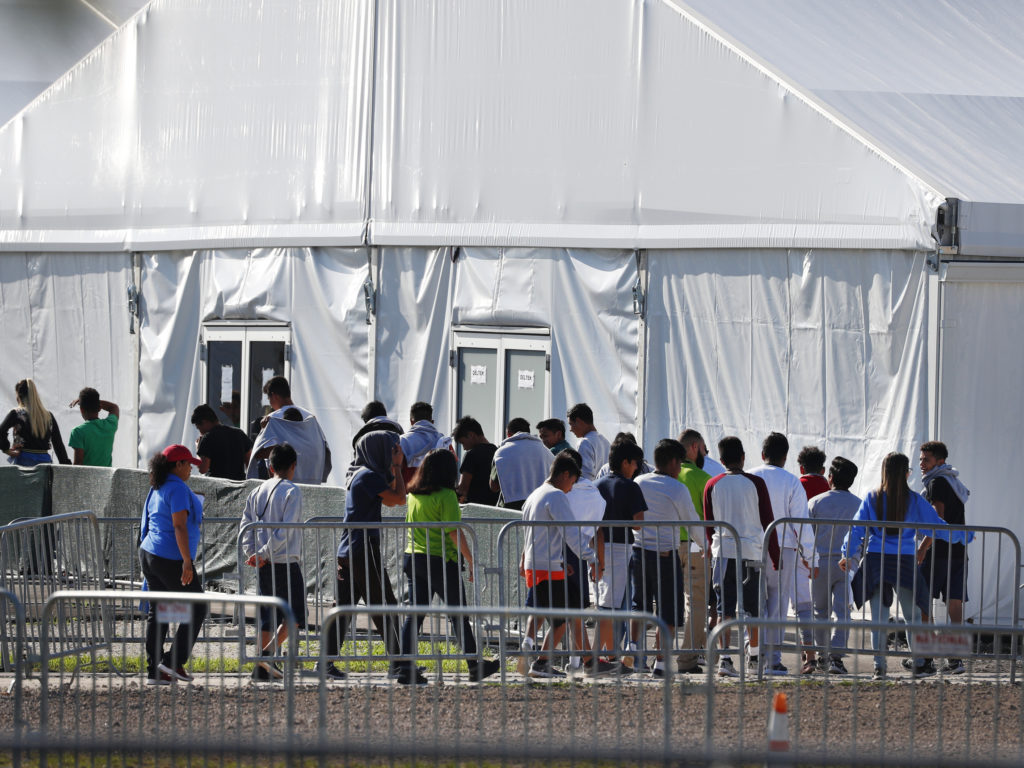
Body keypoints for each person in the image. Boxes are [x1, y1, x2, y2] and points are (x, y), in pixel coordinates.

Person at [839, 452, 948, 680]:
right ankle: (918, 661)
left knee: (879, 617)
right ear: (906, 472)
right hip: (905, 560)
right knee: (913, 616)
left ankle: (880, 666)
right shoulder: (915, 499)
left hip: (876, 559)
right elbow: (936, 525)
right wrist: (964, 537)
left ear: (884, 471)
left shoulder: (872, 497)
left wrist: (847, 554)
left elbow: (857, 528)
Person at [397, 449, 501, 685]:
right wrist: (472, 560)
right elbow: (453, 531)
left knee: (414, 615)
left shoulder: (413, 494)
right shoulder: (446, 496)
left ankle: (404, 668)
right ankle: (474, 666)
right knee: (459, 615)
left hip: (413, 558)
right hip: (441, 561)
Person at [321, 431, 405, 680]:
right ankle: (399, 663)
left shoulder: (361, 474)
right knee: (386, 605)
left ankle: (324, 662)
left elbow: (390, 491)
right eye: (390, 449)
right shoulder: (367, 477)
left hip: (349, 549)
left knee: (344, 609)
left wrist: (392, 467)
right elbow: (398, 499)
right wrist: (398, 467)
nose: (394, 453)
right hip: (363, 549)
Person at [519, 454, 604, 678]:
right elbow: (571, 533)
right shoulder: (555, 496)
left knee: (560, 610)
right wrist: (591, 557)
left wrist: (559, 560)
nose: (571, 489)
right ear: (565, 475)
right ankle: (543, 663)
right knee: (565, 614)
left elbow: (536, 534)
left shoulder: (535, 494)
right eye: (572, 482)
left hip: (537, 563)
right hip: (548, 565)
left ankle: (584, 660)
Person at [703, 436, 780, 678]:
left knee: (725, 608)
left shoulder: (712, 484)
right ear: (744, 457)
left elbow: (709, 525)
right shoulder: (756, 484)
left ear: (722, 459)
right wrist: (776, 556)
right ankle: (755, 656)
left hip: (724, 552)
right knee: (753, 609)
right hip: (752, 553)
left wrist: (711, 546)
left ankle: (725, 658)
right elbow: (769, 521)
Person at [138, 444, 206, 685]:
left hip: (150, 553)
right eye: (188, 464)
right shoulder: (176, 487)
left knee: (160, 612)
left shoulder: (158, 485)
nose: (191, 469)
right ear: (177, 465)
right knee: (198, 606)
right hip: (170, 556)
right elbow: (178, 526)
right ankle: (172, 661)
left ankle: (155, 670)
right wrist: (187, 561)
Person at [750, 432, 816, 675]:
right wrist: (810, 556)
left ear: (763, 454)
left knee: (754, 603)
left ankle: (753, 653)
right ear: (785, 457)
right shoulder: (791, 481)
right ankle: (773, 660)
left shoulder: (751, 476)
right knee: (777, 604)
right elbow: (801, 523)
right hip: (784, 548)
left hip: (753, 546)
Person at [632, 439, 698, 678]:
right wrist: (706, 546)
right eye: (679, 462)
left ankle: (636, 656)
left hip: (638, 552)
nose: (680, 468)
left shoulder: (639, 481)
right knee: (668, 611)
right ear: (672, 462)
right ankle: (660, 662)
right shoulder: (677, 488)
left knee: (639, 607)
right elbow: (691, 522)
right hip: (665, 556)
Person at [240, 443, 306, 681]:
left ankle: (262, 666)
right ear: (293, 466)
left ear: (270, 467)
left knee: (268, 615)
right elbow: (286, 530)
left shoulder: (256, 491)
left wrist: (253, 551)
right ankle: (266, 657)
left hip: (263, 561)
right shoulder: (292, 491)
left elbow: (246, 523)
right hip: (284, 560)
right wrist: (264, 552)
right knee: (296, 616)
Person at [918, 440, 972, 675]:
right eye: (920, 459)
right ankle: (955, 660)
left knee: (923, 603)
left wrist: (922, 547)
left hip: (938, 552)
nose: (921, 463)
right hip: (958, 552)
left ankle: (927, 659)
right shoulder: (953, 481)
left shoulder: (937, 482)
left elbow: (937, 521)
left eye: (926, 459)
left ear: (939, 461)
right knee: (955, 606)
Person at [593, 440, 647, 664]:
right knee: (610, 607)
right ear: (626, 462)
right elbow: (638, 523)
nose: (636, 468)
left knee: (604, 603)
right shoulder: (630, 487)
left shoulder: (596, 484)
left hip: (596, 546)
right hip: (619, 548)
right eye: (635, 463)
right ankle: (596, 655)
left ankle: (608, 652)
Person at [808, 456, 860, 675]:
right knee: (843, 611)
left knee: (820, 611)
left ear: (830, 478)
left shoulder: (816, 502)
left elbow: (806, 534)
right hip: (846, 563)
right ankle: (836, 658)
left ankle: (822, 655)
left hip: (819, 561)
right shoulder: (859, 504)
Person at [247, 377, 332, 484]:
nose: (271, 405)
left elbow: (258, 454)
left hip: (283, 483)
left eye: (269, 400)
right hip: (312, 483)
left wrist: (263, 432)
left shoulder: (272, 419)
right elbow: (324, 450)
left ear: (274, 396)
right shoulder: (311, 418)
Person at [676, 429, 713, 673]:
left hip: (665, 546)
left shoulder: (669, 476)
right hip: (695, 548)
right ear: (695, 447)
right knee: (697, 603)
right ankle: (688, 658)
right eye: (703, 449)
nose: (704, 454)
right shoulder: (703, 478)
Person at [0, 379, 70, 466]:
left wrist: (6, 449)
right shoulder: (48, 416)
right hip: (44, 463)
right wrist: (66, 467)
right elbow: (58, 444)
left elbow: (1, 431)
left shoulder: (16, 413)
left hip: (23, 461)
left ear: (18, 395)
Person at [489, 418, 552, 510]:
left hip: (511, 509)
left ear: (508, 434)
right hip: (539, 505)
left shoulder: (502, 452)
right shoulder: (546, 452)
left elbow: (494, 486)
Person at [191, 403, 252, 480]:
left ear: (204, 422)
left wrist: (198, 447)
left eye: (199, 428)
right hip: (238, 485)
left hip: (217, 486)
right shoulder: (239, 433)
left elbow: (203, 469)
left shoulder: (207, 438)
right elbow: (249, 464)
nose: (200, 432)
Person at [452, 416, 499, 506]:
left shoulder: (472, 454)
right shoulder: (497, 452)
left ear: (471, 435)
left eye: (463, 443)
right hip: (496, 510)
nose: (464, 448)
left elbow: (462, 490)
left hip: (476, 510)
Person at [399, 401, 451, 482]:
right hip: (439, 492)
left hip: (409, 492)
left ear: (411, 422)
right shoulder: (444, 441)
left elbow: (396, 470)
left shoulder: (401, 441)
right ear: (432, 422)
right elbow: (452, 469)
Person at [68, 387, 119, 467]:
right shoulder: (110, 425)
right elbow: (114, 407)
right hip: (107, 478)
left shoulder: (78, 432)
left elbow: (78, 464)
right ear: (99, 408)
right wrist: (93, 401)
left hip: (87, 479)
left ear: (81, 409)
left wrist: (84, 401)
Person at [566, 403, 610, 482]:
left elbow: (585, 477)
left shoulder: (584, 443)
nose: (570, 429)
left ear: (579, 421)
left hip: (592, 491)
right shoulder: (606, 442)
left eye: (571, 424)